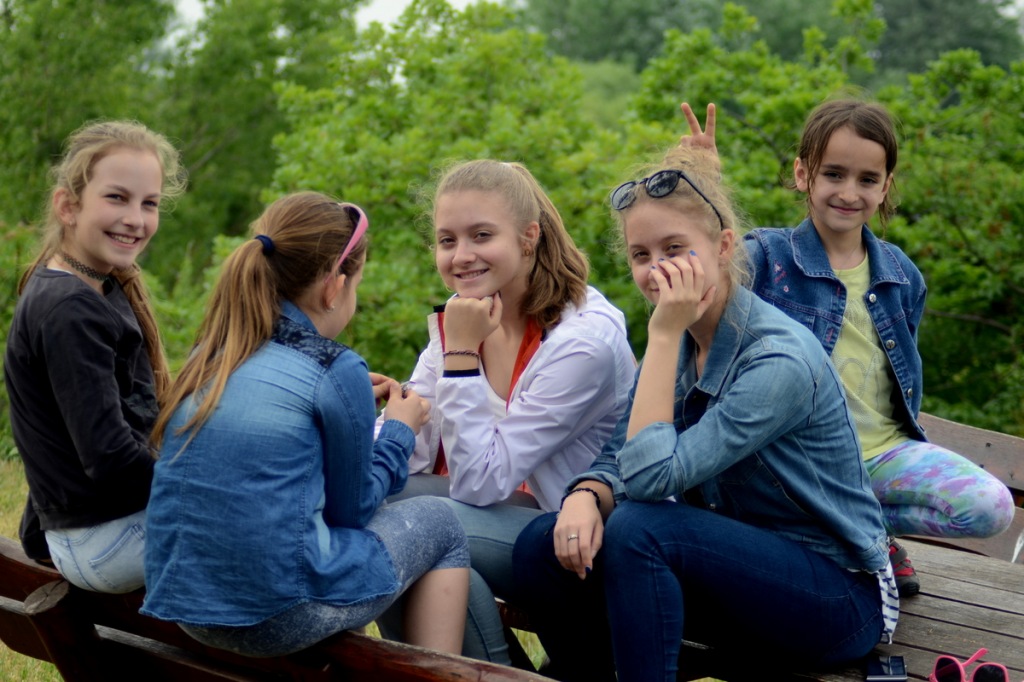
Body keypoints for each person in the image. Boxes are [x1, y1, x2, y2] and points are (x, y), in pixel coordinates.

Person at [513, 142, 899, 682]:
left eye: (675, 248)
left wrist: (663, 334)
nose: (657, 270)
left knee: (641, 528)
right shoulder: (682, 338)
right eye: (641, 255)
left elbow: (650, 480)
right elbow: (619, 454)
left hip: (835, 599)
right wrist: (586, 495)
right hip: (737, 578)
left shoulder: (777, 360)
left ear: (722, 246)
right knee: (541, 546)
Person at [141, 193, 469, 657]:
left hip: (187, 608)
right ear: (334, 288)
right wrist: (400, 429)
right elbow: (353, 511)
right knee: (442, 523)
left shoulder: (211, 354)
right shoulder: (335, 367)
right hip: (279, 615)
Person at [715, 98, 1015, 597]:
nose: (849, 192)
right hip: (800, 466)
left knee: (991, 508)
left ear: (885, 186)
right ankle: (852, 538)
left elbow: (901, 381)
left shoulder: (902, 276)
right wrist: (704, 189)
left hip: (880, 457)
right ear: (802, 174)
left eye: (867, 179)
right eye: (834, 174)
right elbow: (701, 287)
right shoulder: (766, 257)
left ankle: (861, 531)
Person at [379, 160, 635, 664]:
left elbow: (480, 481)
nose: (461, 256)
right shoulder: (468, 313)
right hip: (518, 516)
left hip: (580, 537)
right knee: (372, 501)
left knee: (408, 531)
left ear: (528, 237)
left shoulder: (581, 342)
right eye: (447, 240)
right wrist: (389, 420)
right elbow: (412, 453)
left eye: (481, 235)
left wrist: (460, 358)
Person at [4, 120, 186, 593]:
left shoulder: (88, 286)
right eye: (117, 198)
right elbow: (109, 457)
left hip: (95, 530)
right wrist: (198, 486)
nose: (135, 219)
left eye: (149, 203)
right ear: (68, 206)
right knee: (276, 525)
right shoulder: (70, 310)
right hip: (104, 540)